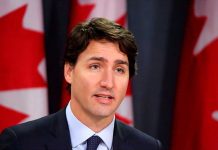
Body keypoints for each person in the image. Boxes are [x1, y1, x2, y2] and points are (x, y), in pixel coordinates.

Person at [0, 17, 162, 150]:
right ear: (69, 71)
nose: (108, 82)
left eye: (119, 70)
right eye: (95, 66)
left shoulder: (148, 147)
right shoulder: (21, 143)